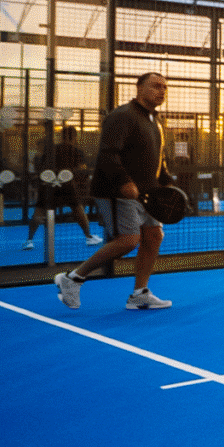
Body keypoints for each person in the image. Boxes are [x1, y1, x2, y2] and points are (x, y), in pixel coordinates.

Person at [55, 71, 177, 310]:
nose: (161, 90)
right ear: (139, 88)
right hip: (116, 190)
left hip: (147, 192)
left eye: (164, 87)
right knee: (129, 239)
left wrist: (167, 183)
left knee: (154, 236)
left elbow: (158, 159)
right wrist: (124, 182)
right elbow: (108, 154)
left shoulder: (155, 121)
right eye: (155, 86)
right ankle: (72, 279)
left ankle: (140, 294)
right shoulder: (123, 116)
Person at [23, 121, 102, 249]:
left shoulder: (51, 150)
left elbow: (41, 167)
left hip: (48, 185)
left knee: (39, 212)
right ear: (74, 137)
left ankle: (29, 240)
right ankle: (89, 237)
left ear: (62, 136)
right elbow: (82, 170)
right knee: (79, 210)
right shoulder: (76, 151)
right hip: (67, 185)